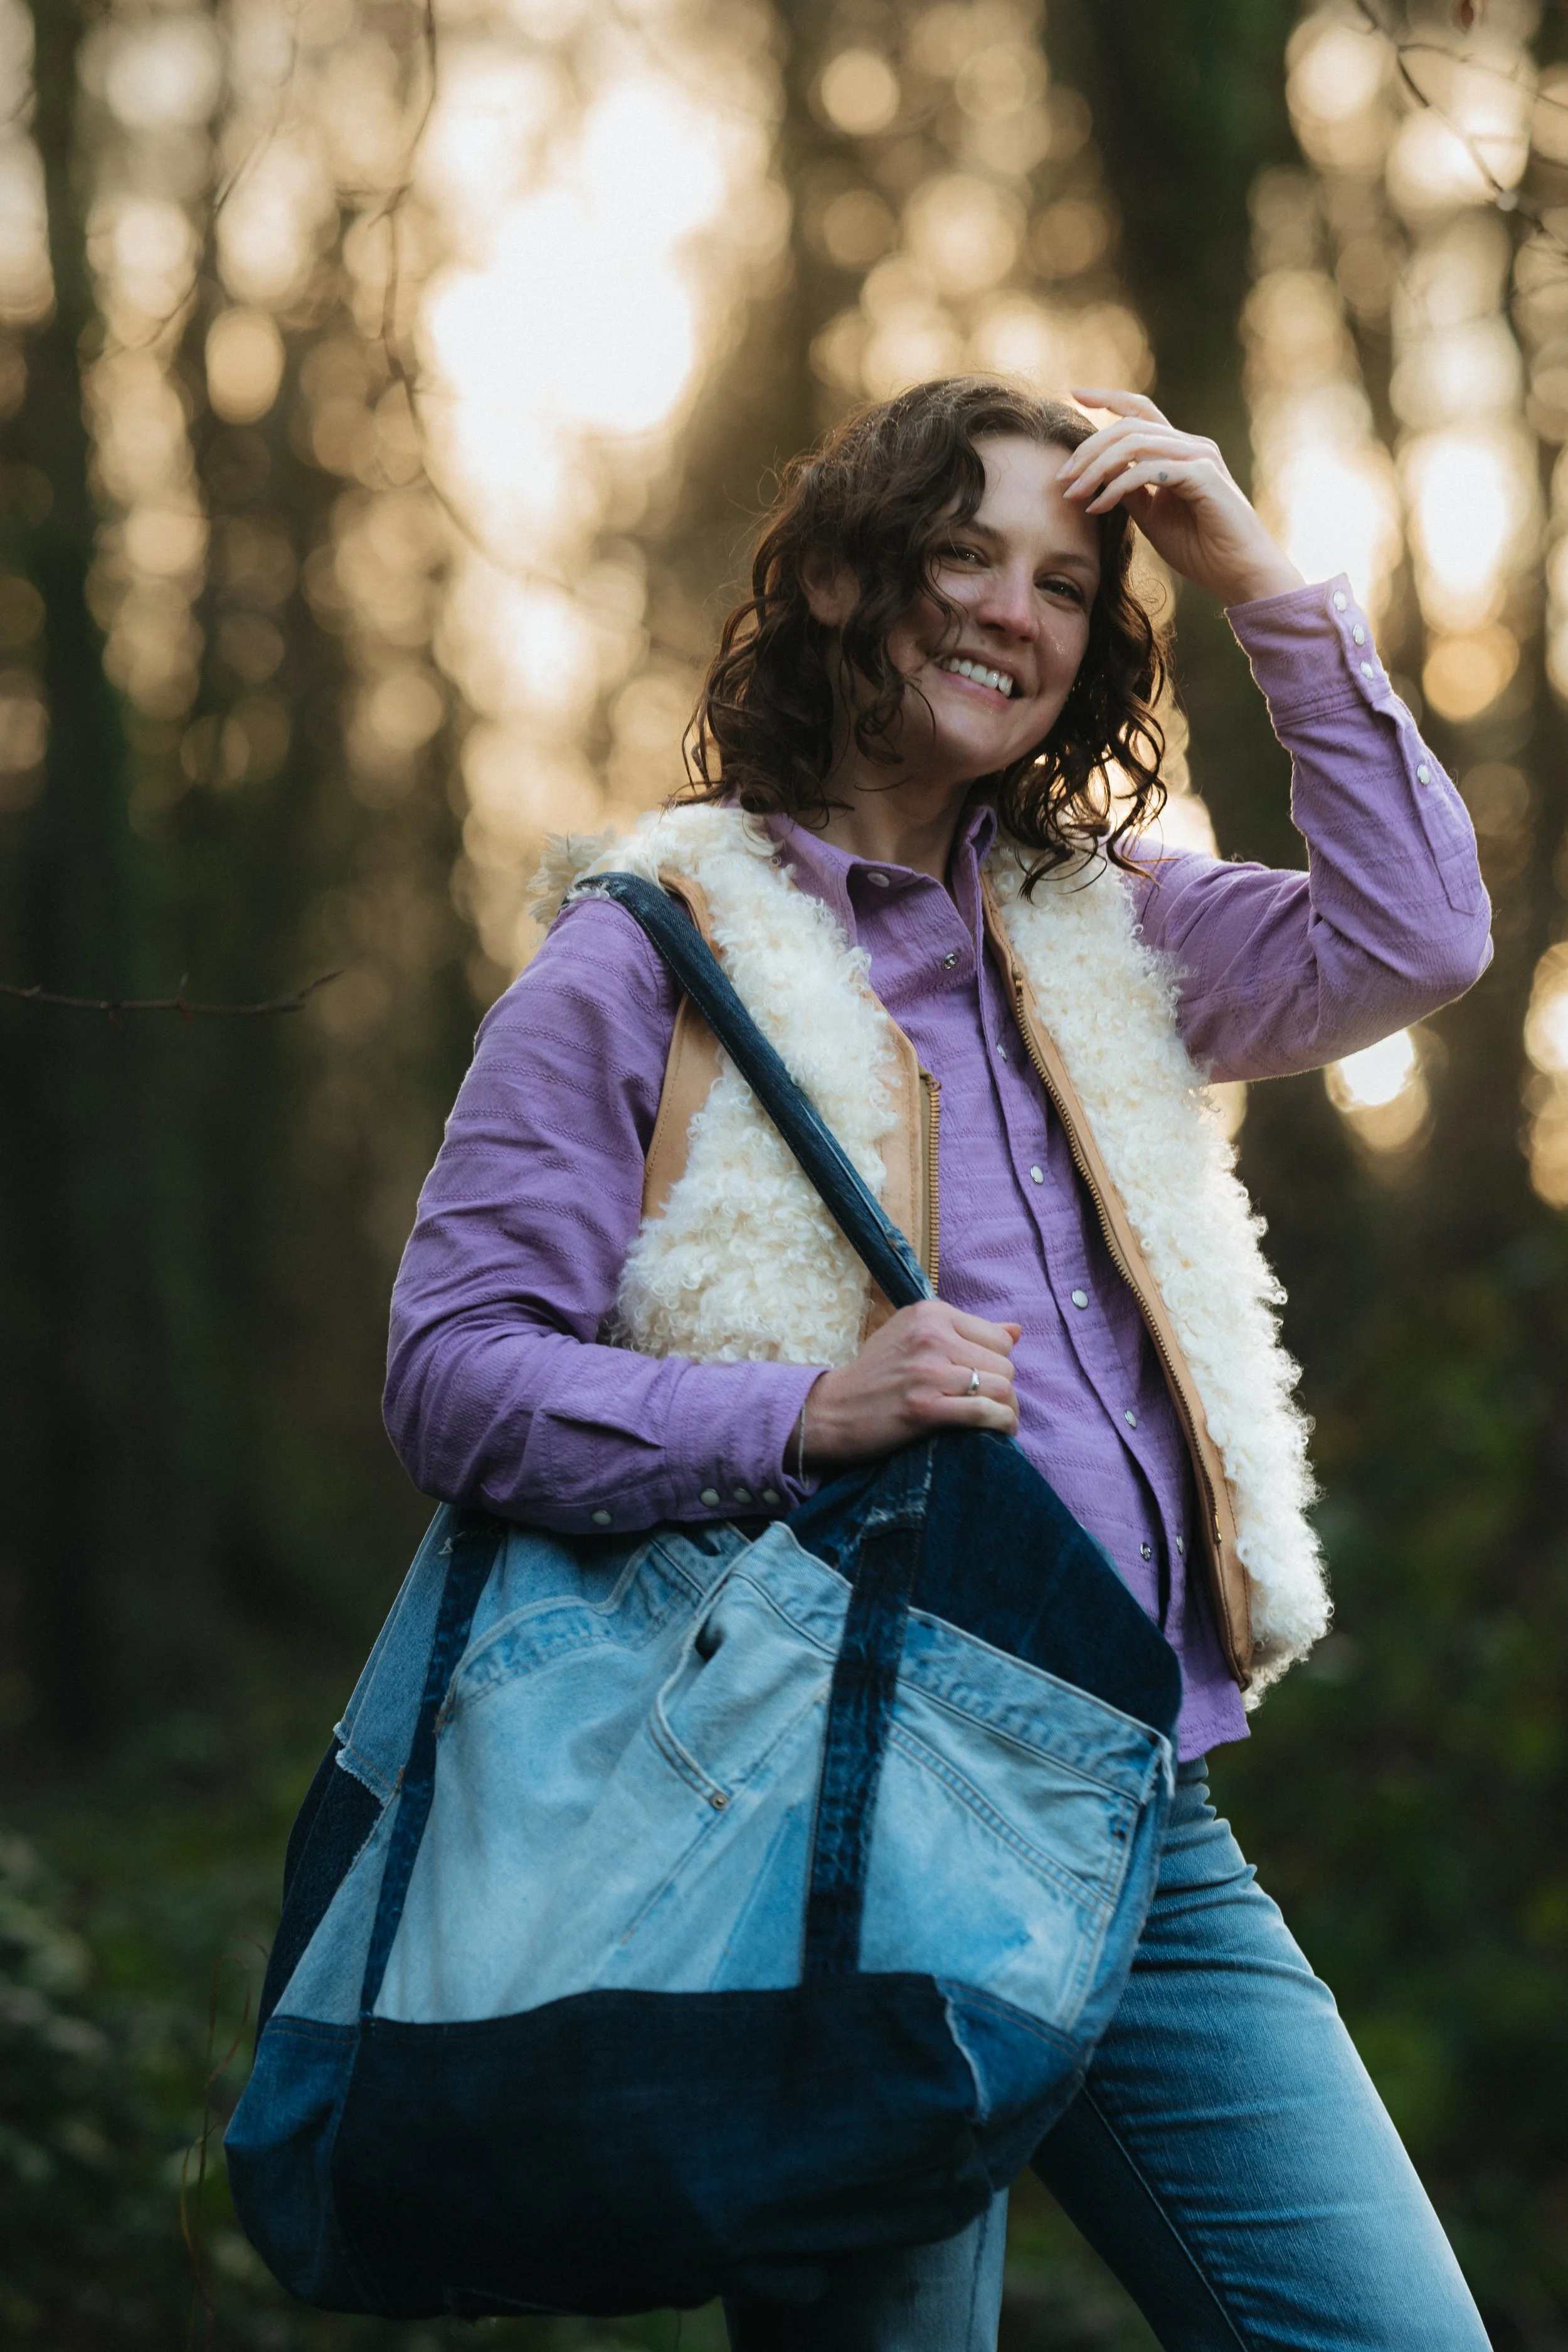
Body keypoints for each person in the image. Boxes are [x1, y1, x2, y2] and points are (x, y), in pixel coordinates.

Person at [384, 378, 1493, 2350]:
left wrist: (1253, 576)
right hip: (836, 1829)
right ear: (833, 578)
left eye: (1062, 584)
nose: (1011, 610)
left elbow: (1415, 935)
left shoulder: (1115, 926)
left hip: (1143, 1806)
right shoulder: (636, 959)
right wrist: (802, 1409)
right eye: (962, 554)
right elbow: (454, 1374)